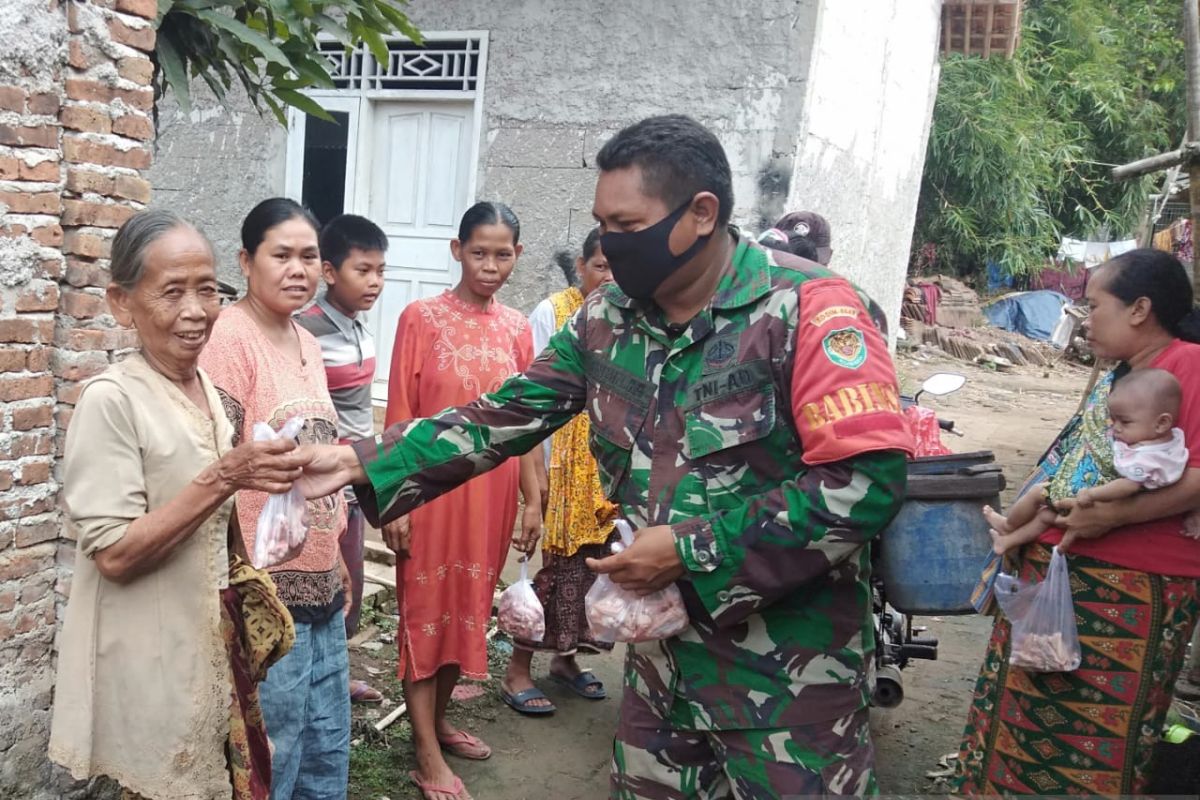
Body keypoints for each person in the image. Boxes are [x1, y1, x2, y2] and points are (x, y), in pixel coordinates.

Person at [297, 114, 914, 798]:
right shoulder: (607, 318)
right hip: (660, 674)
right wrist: (364, 461)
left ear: (701, 213)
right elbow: (505, 413)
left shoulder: (808, 310)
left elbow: (866, 479)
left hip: (791, 685)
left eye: (626, 226)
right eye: (603, 225)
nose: (611, 245)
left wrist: (690, 551)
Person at [49, 210, 302, 800]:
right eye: (172, 292)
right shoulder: (112, 400)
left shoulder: (201, 385)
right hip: (150, 649)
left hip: (206, 637)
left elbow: (211, 520)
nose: (196, 311)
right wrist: (226, 475)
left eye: (208, 290)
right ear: (121, 303)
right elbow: (113, 555)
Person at [953, 248, 1200, 796]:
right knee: (1022, 714)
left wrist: (1108, 514)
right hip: (1063, 574)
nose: (1085, 319)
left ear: (1140, 308)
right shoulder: (1126, 374)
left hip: (1130, 588)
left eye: (1094, 305)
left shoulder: (1189, 366)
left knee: (1095, 737)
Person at [381, 201, 541, 800]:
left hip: (491, 499)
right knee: (426, 617)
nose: (490, 265)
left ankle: (439, 720)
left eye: (503, 254)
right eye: (479, 252)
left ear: (518, 255)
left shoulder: (519, 327)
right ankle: (425, 755)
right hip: (430, 497)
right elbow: (399, 415)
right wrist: (396, 503)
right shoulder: (419, 318)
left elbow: (530, 423)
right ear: (457, 250)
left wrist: (532, 500)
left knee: (466, 612)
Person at [200, 198, 352, 800]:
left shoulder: (305, 340)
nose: (298, 269)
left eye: (309, 256)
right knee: (277, 752)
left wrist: (337, 554)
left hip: (320, 577)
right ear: (246, 260)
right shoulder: (229, 341)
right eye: (281, 255)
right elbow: (216, 466)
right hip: (267, 595)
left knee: (326, 744)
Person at [502, 228, 618, 715]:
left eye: (618, 268)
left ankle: (567, 661)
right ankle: (517, 671)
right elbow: (534, 393)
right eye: (600, 267)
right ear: (580, 267)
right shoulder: (554, 313)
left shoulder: (630, 318)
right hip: (561, 462)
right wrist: (538, 477)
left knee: (596, 569)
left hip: (607, 466)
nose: (609, 277)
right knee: (551, 568)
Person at [294, 212, 388, 706]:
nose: (374, 281)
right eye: (362, 270)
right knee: (321, 579)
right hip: (323, 479)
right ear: (330, 273)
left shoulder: (357, 326)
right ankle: (311, 677)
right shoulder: (306, 331)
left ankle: (335, 671)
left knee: (346, 578)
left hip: (356, 475)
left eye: (380, 270)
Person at [985, 367, 1189, 554]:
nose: (1116, 428)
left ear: (1162, 423)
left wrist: (1091, 494)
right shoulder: (1170, 444)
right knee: (1045, 517)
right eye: (1113, 420)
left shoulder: (1146, 458)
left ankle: (1009, 525)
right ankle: (1007, 541)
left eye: (1125, 422)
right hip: (1102, 507)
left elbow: (1128, 486)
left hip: (1094, 503)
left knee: (1037, 492)